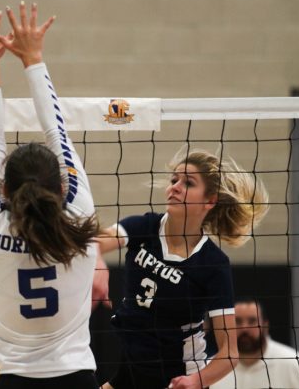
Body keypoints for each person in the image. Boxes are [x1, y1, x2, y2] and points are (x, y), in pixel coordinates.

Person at [0, 2, 100, 389]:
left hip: (16, 380)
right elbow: (59, 133)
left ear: (3, 189)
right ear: (61, 186)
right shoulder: (79, 216)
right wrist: (33, 58)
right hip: (77, 378)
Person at [96, 150, 269, 389]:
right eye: (174, 180)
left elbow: (229, 353)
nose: (175, 187)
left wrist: (195, 382)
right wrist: (96, 260)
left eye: (188, 182)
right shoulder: (144, 227)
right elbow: (97, 242)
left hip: (178, 379)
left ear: (210, 201)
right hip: (131, 371)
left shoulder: (213, 263)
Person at [210, 299, 299, 389]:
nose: (245, 328)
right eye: (238, 321)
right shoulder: (211, 367)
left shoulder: (295, 363)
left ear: (265, 325)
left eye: (252, 321)